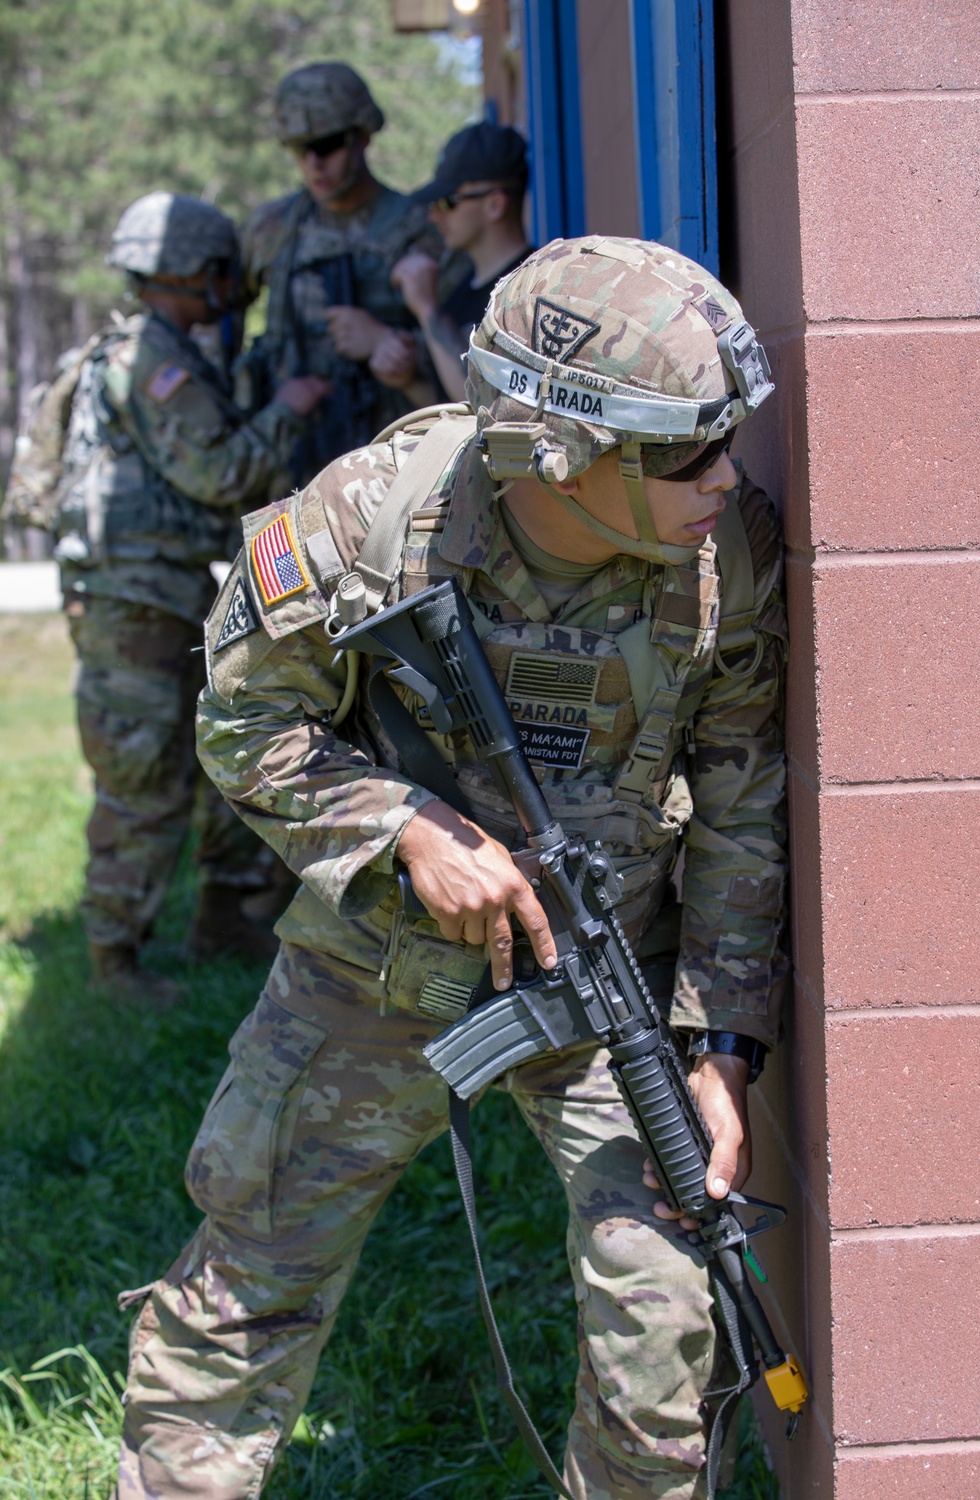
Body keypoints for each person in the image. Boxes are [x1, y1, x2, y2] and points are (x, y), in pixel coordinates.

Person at [114, 236, 788, 1497]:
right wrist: (405, 827)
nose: (725, 476)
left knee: (668, 1342)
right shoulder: (370, 522)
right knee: (245, 1290)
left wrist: (722, 1050)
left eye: (725, 441)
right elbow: (240, 722)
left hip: (608, 993)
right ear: (562, 455)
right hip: (371, 974)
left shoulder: (727, 554)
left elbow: (747, 801)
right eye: (688, 452)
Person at [57, 191, 328, 1004]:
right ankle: (114, 961)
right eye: (218, 274)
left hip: (159, 594)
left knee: (210, 760)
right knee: (143, 780)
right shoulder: (151, 359)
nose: (229, 290)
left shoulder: (166, 347)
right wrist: (288, 410)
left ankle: (218, 919)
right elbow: (219, 473)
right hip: (130, 601)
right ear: (187, 273)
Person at [238, 60, 442, 487]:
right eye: (299, 148)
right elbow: (219, 326)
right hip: (291, 457)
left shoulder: (418, 229)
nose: (314, 163)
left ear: (361, 136)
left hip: (388, 460)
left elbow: (461, 349)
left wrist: (392, 346)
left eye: (327, 145)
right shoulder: (271, 230)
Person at [376, 121, 532, 402]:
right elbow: (453, 412)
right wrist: (406, 381)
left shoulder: (533, 288)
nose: (435, 215)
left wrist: (426, 308)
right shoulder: (458, 295)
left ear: (494, 204)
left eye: (448, 202)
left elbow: (481, 404)